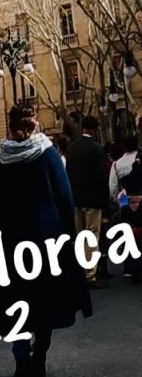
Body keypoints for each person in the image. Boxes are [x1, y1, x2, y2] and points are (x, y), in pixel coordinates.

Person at [0, 104, 91, 377]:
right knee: (45, 299)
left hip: (10, 242)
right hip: (47, 239)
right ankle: (40, 353)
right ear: (35, 123)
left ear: (10, 125)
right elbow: (65, 197)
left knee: (15, 300)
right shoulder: (47, 154)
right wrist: (67, 234)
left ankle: (21, 357)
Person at [65, 116, 110, 289]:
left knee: (80, 236)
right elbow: (100, 177)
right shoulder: (97, 149)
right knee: (92, 237)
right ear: (95, 129)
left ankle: (81, 270)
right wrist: (104, 200)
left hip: (76, 198)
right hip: (93, 199)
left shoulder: (72, 147)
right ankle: (90, 274)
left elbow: (68, 172)